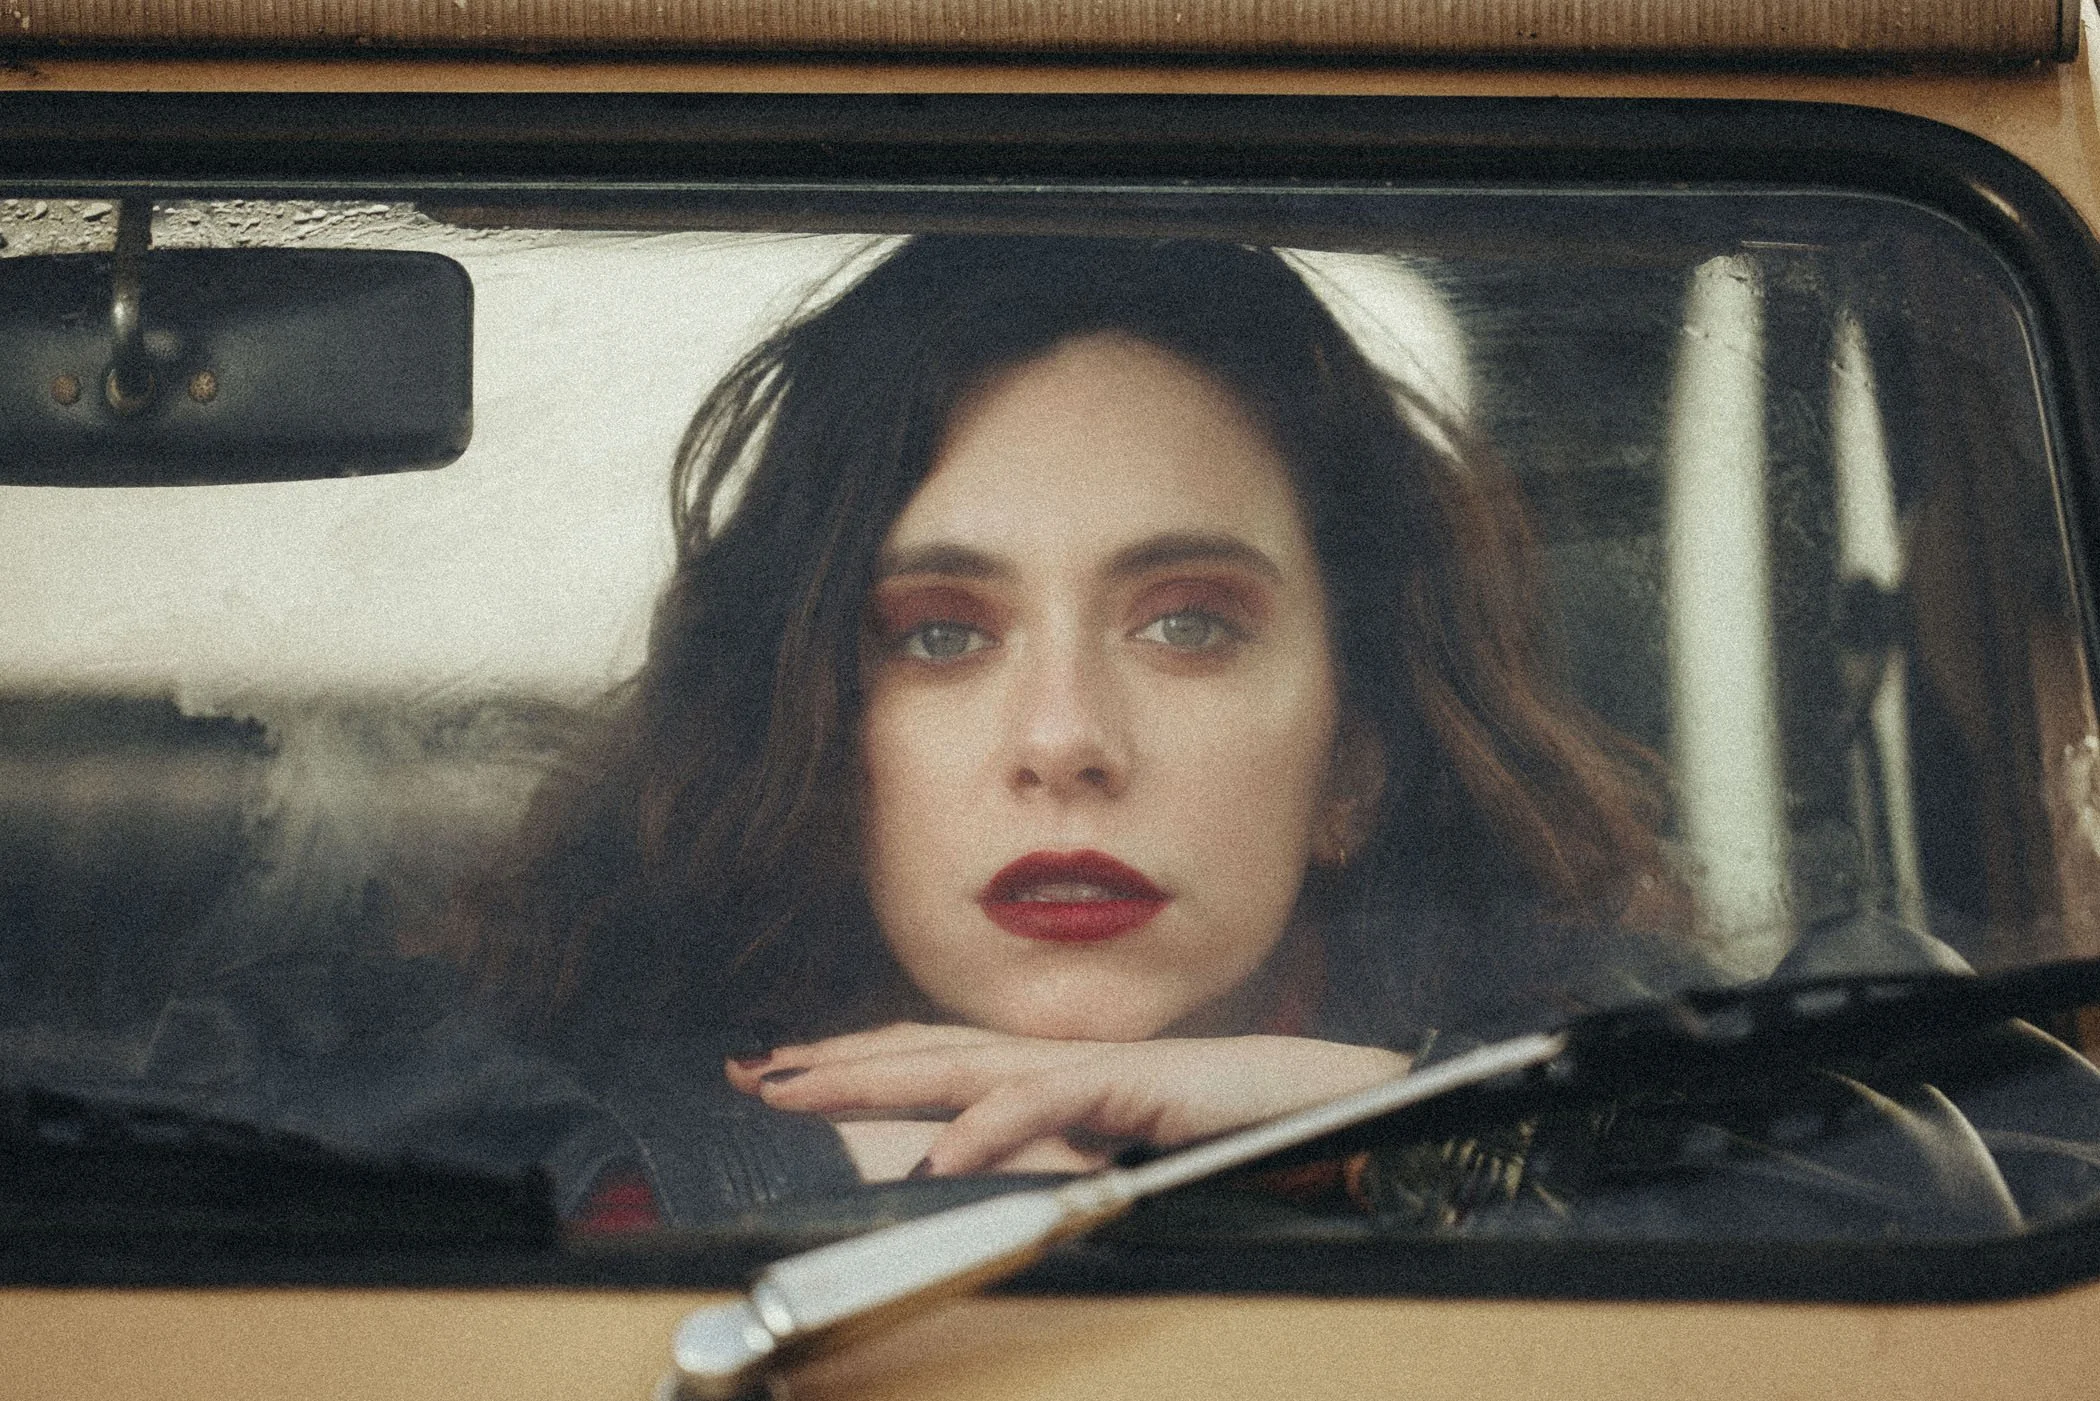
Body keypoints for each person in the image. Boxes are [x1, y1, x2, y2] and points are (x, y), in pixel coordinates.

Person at [434, 233, 1697, 1220]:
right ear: (813, 737)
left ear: (1352, 767)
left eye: (1188, 625)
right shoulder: (541, 1146)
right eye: (941, 635)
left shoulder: (1673, 1102)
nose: (1064, 741)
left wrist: (1411, 1129)